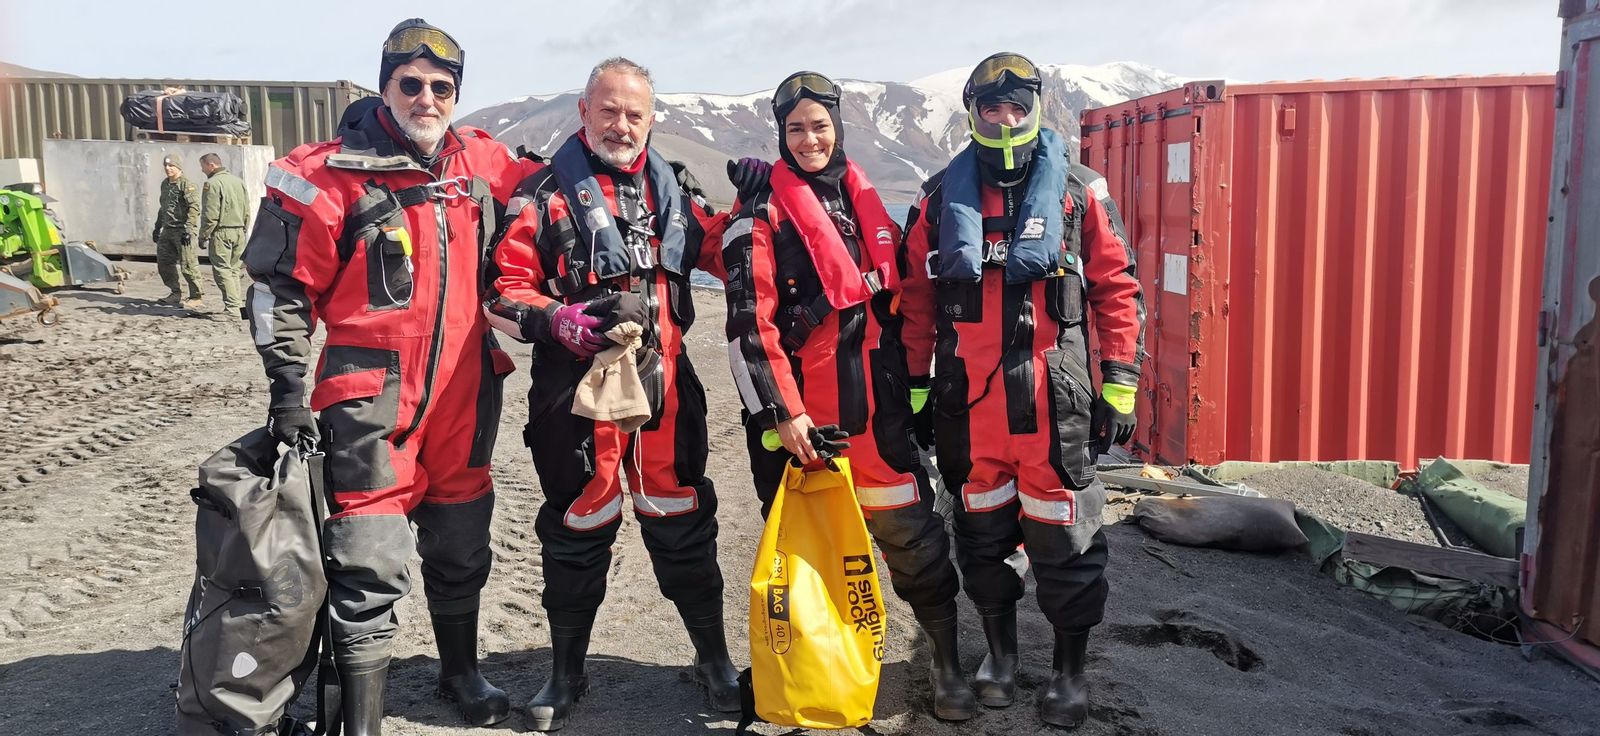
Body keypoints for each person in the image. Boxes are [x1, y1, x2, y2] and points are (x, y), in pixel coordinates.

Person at [242, 18, 537, 732]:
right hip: (370, 396)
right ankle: (362, 718)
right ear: (385, 86)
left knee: (462, 541)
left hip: (466, 392)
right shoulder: (326, 174)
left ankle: (461, 674)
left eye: (442, 87)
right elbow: (279, 291)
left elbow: (566, 190)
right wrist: (287, 392)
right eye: (411, 84)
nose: (426, 99)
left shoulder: (483, 163)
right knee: (366, 555)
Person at [485, 56, 737, 732]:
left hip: (667, 387)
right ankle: (566, 672)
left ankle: (714, 659)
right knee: (578, 523)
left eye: (634, 114)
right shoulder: (542, 193)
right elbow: (502, 291)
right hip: (575, 392)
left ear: (650, 120)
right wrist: (556, 319)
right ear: (584, 112)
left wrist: (756, 206)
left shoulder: (675, 192)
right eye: (609, 110)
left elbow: (723, 253)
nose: (621, 125)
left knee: (683, 518)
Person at [720, 71, 976, 721]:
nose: (809, 139)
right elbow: (750, 326)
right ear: (780, 134)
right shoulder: (758, 214)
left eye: (820, 126)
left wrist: (917, 385)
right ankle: (809, 676)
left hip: (878, 415)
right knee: (806, 560)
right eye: (795, 129)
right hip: (804, 425)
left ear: (838, 127)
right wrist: (786, 414)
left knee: (915, 541)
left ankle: (945, 664)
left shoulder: (869, 208)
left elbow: (907, 303)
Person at [901, 52, 1145, 728]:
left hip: (1053, 406)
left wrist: (1121, 385)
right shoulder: (936, 199)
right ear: (973, 113)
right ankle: (1001, 657)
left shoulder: (1080, 192)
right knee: (980, 539)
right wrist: (917, 393)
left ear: (1035, 107)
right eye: (991, 106)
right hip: (969, 409)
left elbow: (1118, 290)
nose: (1005, 118)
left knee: (1068, 547)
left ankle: (1069, 672)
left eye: (1017, 105)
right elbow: (915, 304)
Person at [198, 152, 250, 318]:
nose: (202, 170)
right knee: (234, 270)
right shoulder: (238, 182)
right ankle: (237, 305)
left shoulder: (212, 184)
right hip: (239, 230)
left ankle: (232, 308)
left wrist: (204, 235)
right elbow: (247, 208)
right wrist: (244, 228)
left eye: (203, 167)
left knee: (222, 270)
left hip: (222, 232)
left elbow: (210, 214)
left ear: (211, 165)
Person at [153, 154, 203, 307]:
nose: (167, 168)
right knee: (164, 263)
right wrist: (157, 227)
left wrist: (189, 229)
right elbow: (163, 207)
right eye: (166, 166)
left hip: (183, 231)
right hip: (168, 230)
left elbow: (194, 208)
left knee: (188, 265)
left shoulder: (187, 185)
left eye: (171, 166)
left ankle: (196, 296)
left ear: (178, 167)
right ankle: (175, 292)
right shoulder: (165, 184)